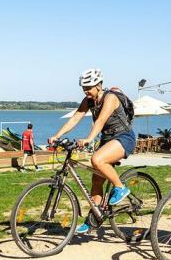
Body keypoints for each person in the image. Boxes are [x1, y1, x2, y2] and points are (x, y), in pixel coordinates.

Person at [49, 68, 136, 233]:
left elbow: (101, 120)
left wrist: (89, 138)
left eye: (89, 87)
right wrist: (56, 135)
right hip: (108, 139)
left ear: (99, 85)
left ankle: (120, 187)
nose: (86, 90)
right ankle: (93, 219)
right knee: (96, 182)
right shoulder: (88, 101)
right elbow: (75, 118)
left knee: (97, 160)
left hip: (124, 137)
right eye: (83, 87)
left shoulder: (110, 97)